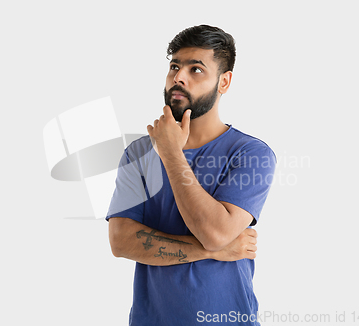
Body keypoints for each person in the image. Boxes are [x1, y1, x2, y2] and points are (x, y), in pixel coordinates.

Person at [106, 25, 276, 326]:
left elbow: (216, 233)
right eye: (174, 66)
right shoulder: (139, 153)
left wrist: (171, 154)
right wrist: (212, 251)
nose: (178, 78)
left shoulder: (251, 154)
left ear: (224, 82)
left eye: (196, 69)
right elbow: (121, 242)